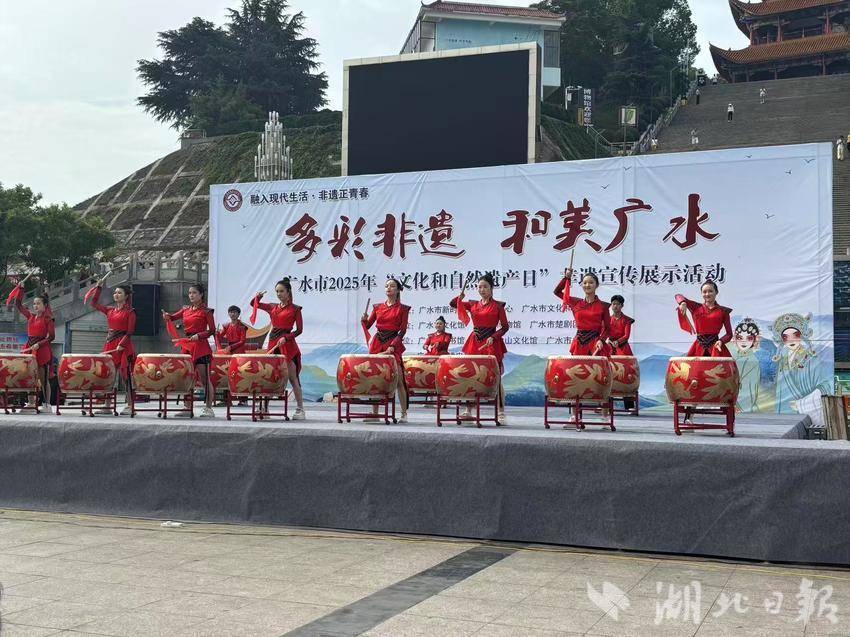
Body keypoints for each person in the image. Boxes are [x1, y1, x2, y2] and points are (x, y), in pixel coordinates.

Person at [451, 273, 509, 423]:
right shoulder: (473, 304)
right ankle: (469, 410)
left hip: (491, 342)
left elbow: (505, 327)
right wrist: (459, 297)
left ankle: (501, 412)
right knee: (471, 376)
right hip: (475, 342)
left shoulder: (498, 306)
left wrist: (494, 337)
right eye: (479, 287)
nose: (482, 289)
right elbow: (453, 304)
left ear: (491, 288)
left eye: (485, 287)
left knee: (496, 378)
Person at [252, 279, 306, 420]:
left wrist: (286, 338)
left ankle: (300, 409)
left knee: (293, 378)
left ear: (288, 292)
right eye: (277, 291)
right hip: (273, 343)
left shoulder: (295, 309)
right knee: (269, 377)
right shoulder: (272, 307)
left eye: (282, 291)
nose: (279, 294)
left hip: (287, 345)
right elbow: (254, 304)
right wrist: (258, 297)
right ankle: (265, 409)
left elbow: (299, 330)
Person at [162, 283, 216, 418]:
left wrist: (199, 335)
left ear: (201, 295)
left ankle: (208, 408)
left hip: (201, 347)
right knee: (186, 377)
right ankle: (187, 407)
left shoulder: (207, 311)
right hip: (187, 346)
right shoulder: (185, 310)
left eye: (194, 293)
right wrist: (167, 316)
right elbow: (172, 317)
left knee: (205, 379)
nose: (191, 295)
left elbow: (212, 330)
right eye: (190, 293)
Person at [362, 279, 411, 423]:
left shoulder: (403, 309)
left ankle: (404, 413)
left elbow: (402, 331)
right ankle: (375, 413)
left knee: (399, 379)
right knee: (375, 378)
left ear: (398, 290)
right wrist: (364, 320)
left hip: (393, 342)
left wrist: (393, 346)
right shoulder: (378, 307)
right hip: (378, 342)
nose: (388, 288)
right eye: (386, 286)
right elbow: (369, 325)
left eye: (392, 286)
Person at [87, 279, 135, 415]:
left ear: (126, 296)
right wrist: (98, 288)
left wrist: (122, 344)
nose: (116, 295)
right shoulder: (110, 310)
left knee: (126, 376)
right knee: (108, 375)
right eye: (115, 293)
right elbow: (94, 303)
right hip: (110, 344)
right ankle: (107, 405)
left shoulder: (130, 312)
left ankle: (131, 406)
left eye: (119, 293)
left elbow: (130, 332)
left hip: (123, 345)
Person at [14, 286, 55, 412]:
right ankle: (31, 403)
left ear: (45, 305)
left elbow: (51, 337)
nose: (35, 306)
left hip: (42, 349)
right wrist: (21, 289)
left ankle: (47, 404)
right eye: (34, 304)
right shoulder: (30, 316)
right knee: (29, 376)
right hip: (30, 347)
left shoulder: (48, 319)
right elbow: (18, 304)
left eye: (38, 303)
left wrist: (39, 344)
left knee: (43, 378)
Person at [554, 268, 610, 357]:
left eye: (591, 282)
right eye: (585, 283)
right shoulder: (575, 302)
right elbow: (557, 292)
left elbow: (607, 328)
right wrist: (566, 278)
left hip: (595, 344)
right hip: (578, 344)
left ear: (596, 285)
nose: (587, 285)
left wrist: (601, 340)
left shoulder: (603, 306)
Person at [674, 280, 733, 357]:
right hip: (698, 348)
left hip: (716, 347)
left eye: (710, 291)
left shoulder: (723, 311)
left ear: (716, 292)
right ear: (701, 293)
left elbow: (729, 334)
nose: (707, 294)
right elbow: (678, 296)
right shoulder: (696, 307)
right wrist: (682, 302)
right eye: (704, 292)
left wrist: (721, 341)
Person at [731, 318, 761, 413]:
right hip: (729, 401)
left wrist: (738, 405)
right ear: (735, 339)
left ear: (754, 340)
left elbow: (750, 388)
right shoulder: (732, 357)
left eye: (749, 338)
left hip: (742, 405)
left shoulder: (753, 361)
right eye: (740, 338)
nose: (744, 342)